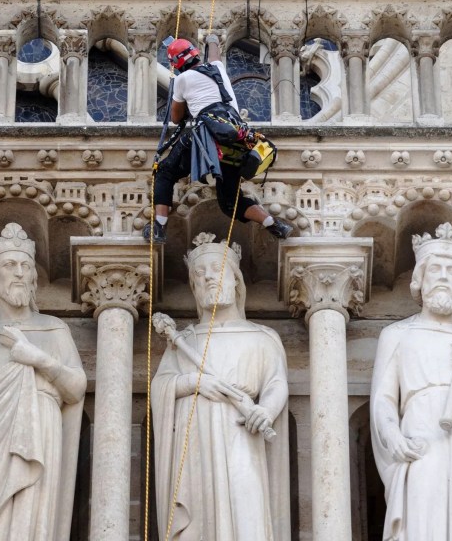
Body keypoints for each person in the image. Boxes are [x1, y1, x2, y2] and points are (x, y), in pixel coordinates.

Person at [0, 223, 85, 541]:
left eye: (26, 266)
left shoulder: (54, 329)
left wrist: (38, 359)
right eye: (10, 265)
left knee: (29, 520)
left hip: (38, 431)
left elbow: (76, 388)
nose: (20, 273)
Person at [150, 233, 290, 541]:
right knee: (199, 514)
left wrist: (265, 411)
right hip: (195, 439)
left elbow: (276, 382)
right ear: (194, 288)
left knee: (246, 510)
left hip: (241, 434)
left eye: (217, 268)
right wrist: (193, 382)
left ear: (235, 279)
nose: (209, 277)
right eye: (199, 274)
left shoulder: (262, 336)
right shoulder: (185, 340)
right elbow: (160, 388)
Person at [370, 224, 452, 541]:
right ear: (420, 280)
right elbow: (383, 398)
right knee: (423, 516)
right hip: (423, 431)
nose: (443, 276)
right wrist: (392, 433)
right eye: (435, 270)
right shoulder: (398, 335)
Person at [144, 36, 290, 243]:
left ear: (176, 64)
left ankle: (159, 227)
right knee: (230, 202)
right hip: (235, 139)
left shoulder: (182, 80)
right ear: (194, 54)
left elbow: (176, 118)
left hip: (208, 138)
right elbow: (215, 54)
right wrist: (212, 39)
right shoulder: (218, 69)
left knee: (165, 171)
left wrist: (188, 104)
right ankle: (274, 224)